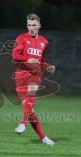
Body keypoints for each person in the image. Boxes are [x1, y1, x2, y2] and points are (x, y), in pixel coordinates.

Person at [12, 13, 55, 146]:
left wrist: (47, 66)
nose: (31, 28)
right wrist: (27, 59)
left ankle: (22, 123)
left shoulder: (44, 42)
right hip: (21, 75)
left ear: (39, 25)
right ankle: (43, 138)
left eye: (34, 25)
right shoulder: (21, 38)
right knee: (29, 110)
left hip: (35, 75)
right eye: (29, 25)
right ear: (27, 25)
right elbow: (14, 55)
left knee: (31, 95)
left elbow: (41, 60)